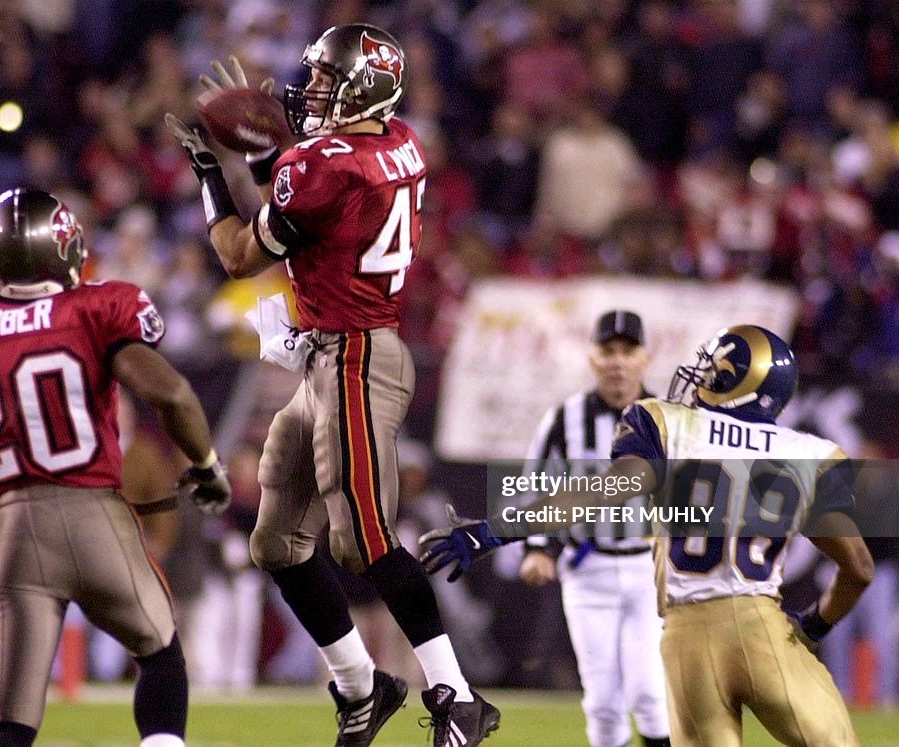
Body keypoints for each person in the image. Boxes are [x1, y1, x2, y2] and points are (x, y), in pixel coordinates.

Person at [165, 23, 500, 747]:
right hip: (331, 354)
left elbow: (238, 254)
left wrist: (208, 173)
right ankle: (361, 686)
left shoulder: (321, 164)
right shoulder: (395, 140)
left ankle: (459, 696)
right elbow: (306, 201)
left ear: (362, 90)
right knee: (278, 542)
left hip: (356, 356)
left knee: (364, 539)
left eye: (324, 79)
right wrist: (264, 152)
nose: (309, 89)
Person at [421, 325, 874, 747]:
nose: (701, 378)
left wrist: (496, 531)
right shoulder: (810, 454)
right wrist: (816, 623)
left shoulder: (667, 424)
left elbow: (600, 493)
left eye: (715, 370)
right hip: (764, 628)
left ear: (741, 384)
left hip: (687, 640)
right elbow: (858, 567)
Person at [0, 188, 232, 747]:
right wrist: (205, 464)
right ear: (66, 251)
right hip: (93, 514)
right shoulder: (97, 309)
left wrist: (3, 440)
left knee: (7, 728)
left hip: (15, 531)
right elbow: (172, 395)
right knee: (161, 654)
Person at [518, 310, 670, 747]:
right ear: (592, 357)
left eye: (628, 350)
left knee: (649, 693)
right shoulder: (564, 419)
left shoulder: (667, 418)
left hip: (650, 572)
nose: (618, 361)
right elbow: (534, 488)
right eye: (608, 351)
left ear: (645, 357)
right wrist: (540, 548)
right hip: (588, 570)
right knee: (603, 702)